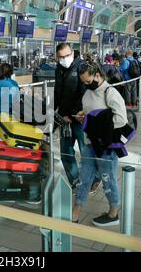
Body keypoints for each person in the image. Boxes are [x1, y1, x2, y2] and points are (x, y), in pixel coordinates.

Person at [72, 63, 128, 226]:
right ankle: (76, 211)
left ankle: (114, 212)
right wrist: (83, 116)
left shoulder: (110, 92)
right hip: (90, 142)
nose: (86, 85)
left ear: (97, 75)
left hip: (106, 146)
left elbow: (121, 120)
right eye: (84, 82)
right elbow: (90, 111)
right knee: (84, 177)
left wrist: (93, 122)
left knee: (107, 178)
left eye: (88, 81)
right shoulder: (88, 93)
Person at [54, 44, 87, 189]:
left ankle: (91, 179)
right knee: (66, 152)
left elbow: (84, 94)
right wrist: (56, 113)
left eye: (66, 56)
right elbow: (57, 92)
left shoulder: (82, 67)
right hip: (64, 118)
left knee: (86, 151)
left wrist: (72, 114)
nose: (64, 59)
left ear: (72, 53)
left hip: (80, 117)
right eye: (60, 57)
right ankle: (76, 183)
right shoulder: (59, 69)